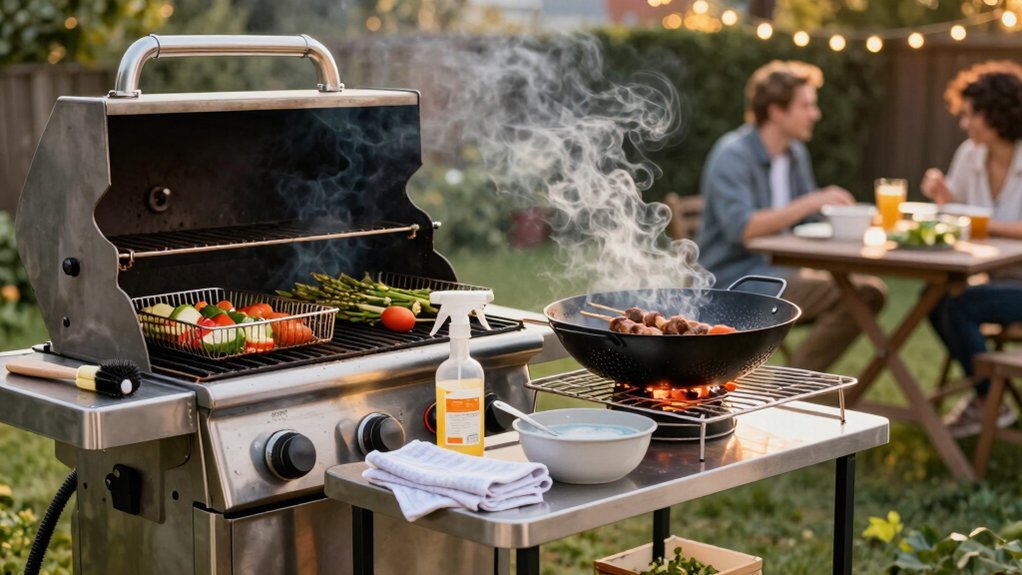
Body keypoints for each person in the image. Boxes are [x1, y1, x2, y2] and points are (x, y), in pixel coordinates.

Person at [697, 60, 887, 373]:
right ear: (776, 111)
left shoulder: (794, 153)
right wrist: (811, 201)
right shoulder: (733, 155)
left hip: (784, 273)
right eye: (806, 105)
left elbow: (808, 223)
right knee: (863, 295)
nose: (816, 114)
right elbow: (742, 229)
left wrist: (848, 220)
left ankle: (786, 383)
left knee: (867, 292)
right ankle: (786, 387)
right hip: (736, 282)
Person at [921, 60, 1022, 437]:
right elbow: (956, 217)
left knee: (962, 305)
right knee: (931, 299)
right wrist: (942, 196)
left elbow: (976, 223)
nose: (965, 124)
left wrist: (984, 224)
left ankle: (987, 400)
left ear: (998, 112)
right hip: (995, 274)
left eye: (971, 115)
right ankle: (989, 399)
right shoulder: (969, 155)